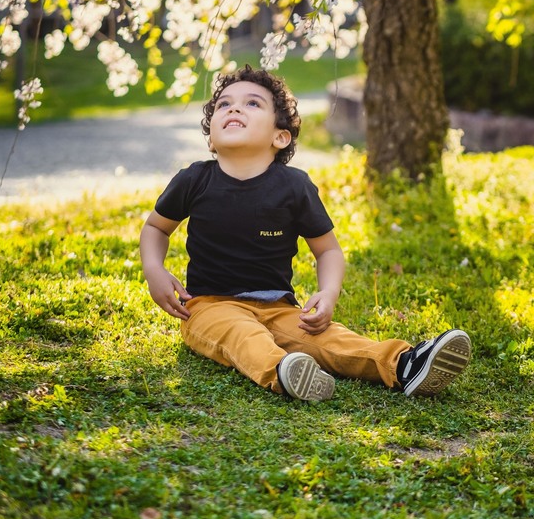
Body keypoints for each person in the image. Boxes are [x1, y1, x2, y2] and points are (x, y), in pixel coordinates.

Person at [139, 65, 470, 402]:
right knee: (242, 335)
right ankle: (284, 371)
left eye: (252, 104)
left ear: (279, 136)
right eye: (225, 105)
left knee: (330, 338)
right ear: (211, 138)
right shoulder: (194, 180)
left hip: (278, 306)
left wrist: (328, 293)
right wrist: (155, 270)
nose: (235, 108)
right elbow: (156, 228)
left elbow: (327, 251)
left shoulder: (294, 187)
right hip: (209, 306)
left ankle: (404, 364)